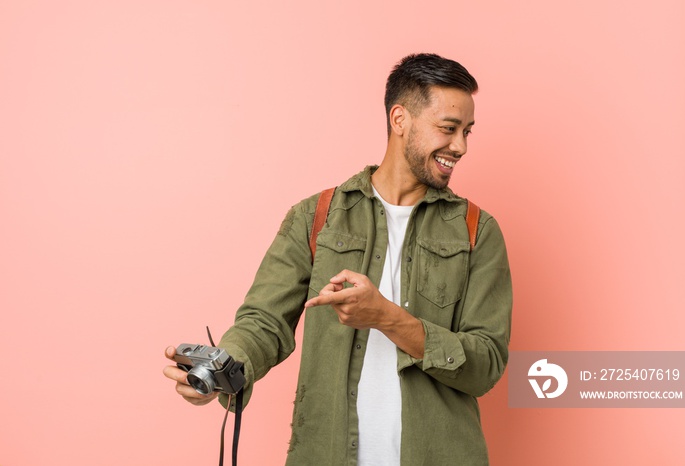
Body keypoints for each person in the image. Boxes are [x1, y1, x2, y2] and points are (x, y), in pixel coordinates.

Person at [164, 53, 512, 465]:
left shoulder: (478, 231)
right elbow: (263, 322)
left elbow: (486, 363)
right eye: (449, 129)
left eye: (467, 131)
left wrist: (385, 316)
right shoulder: (316, 217)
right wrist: (225, 370)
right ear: (400, 120)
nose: (461, 146)